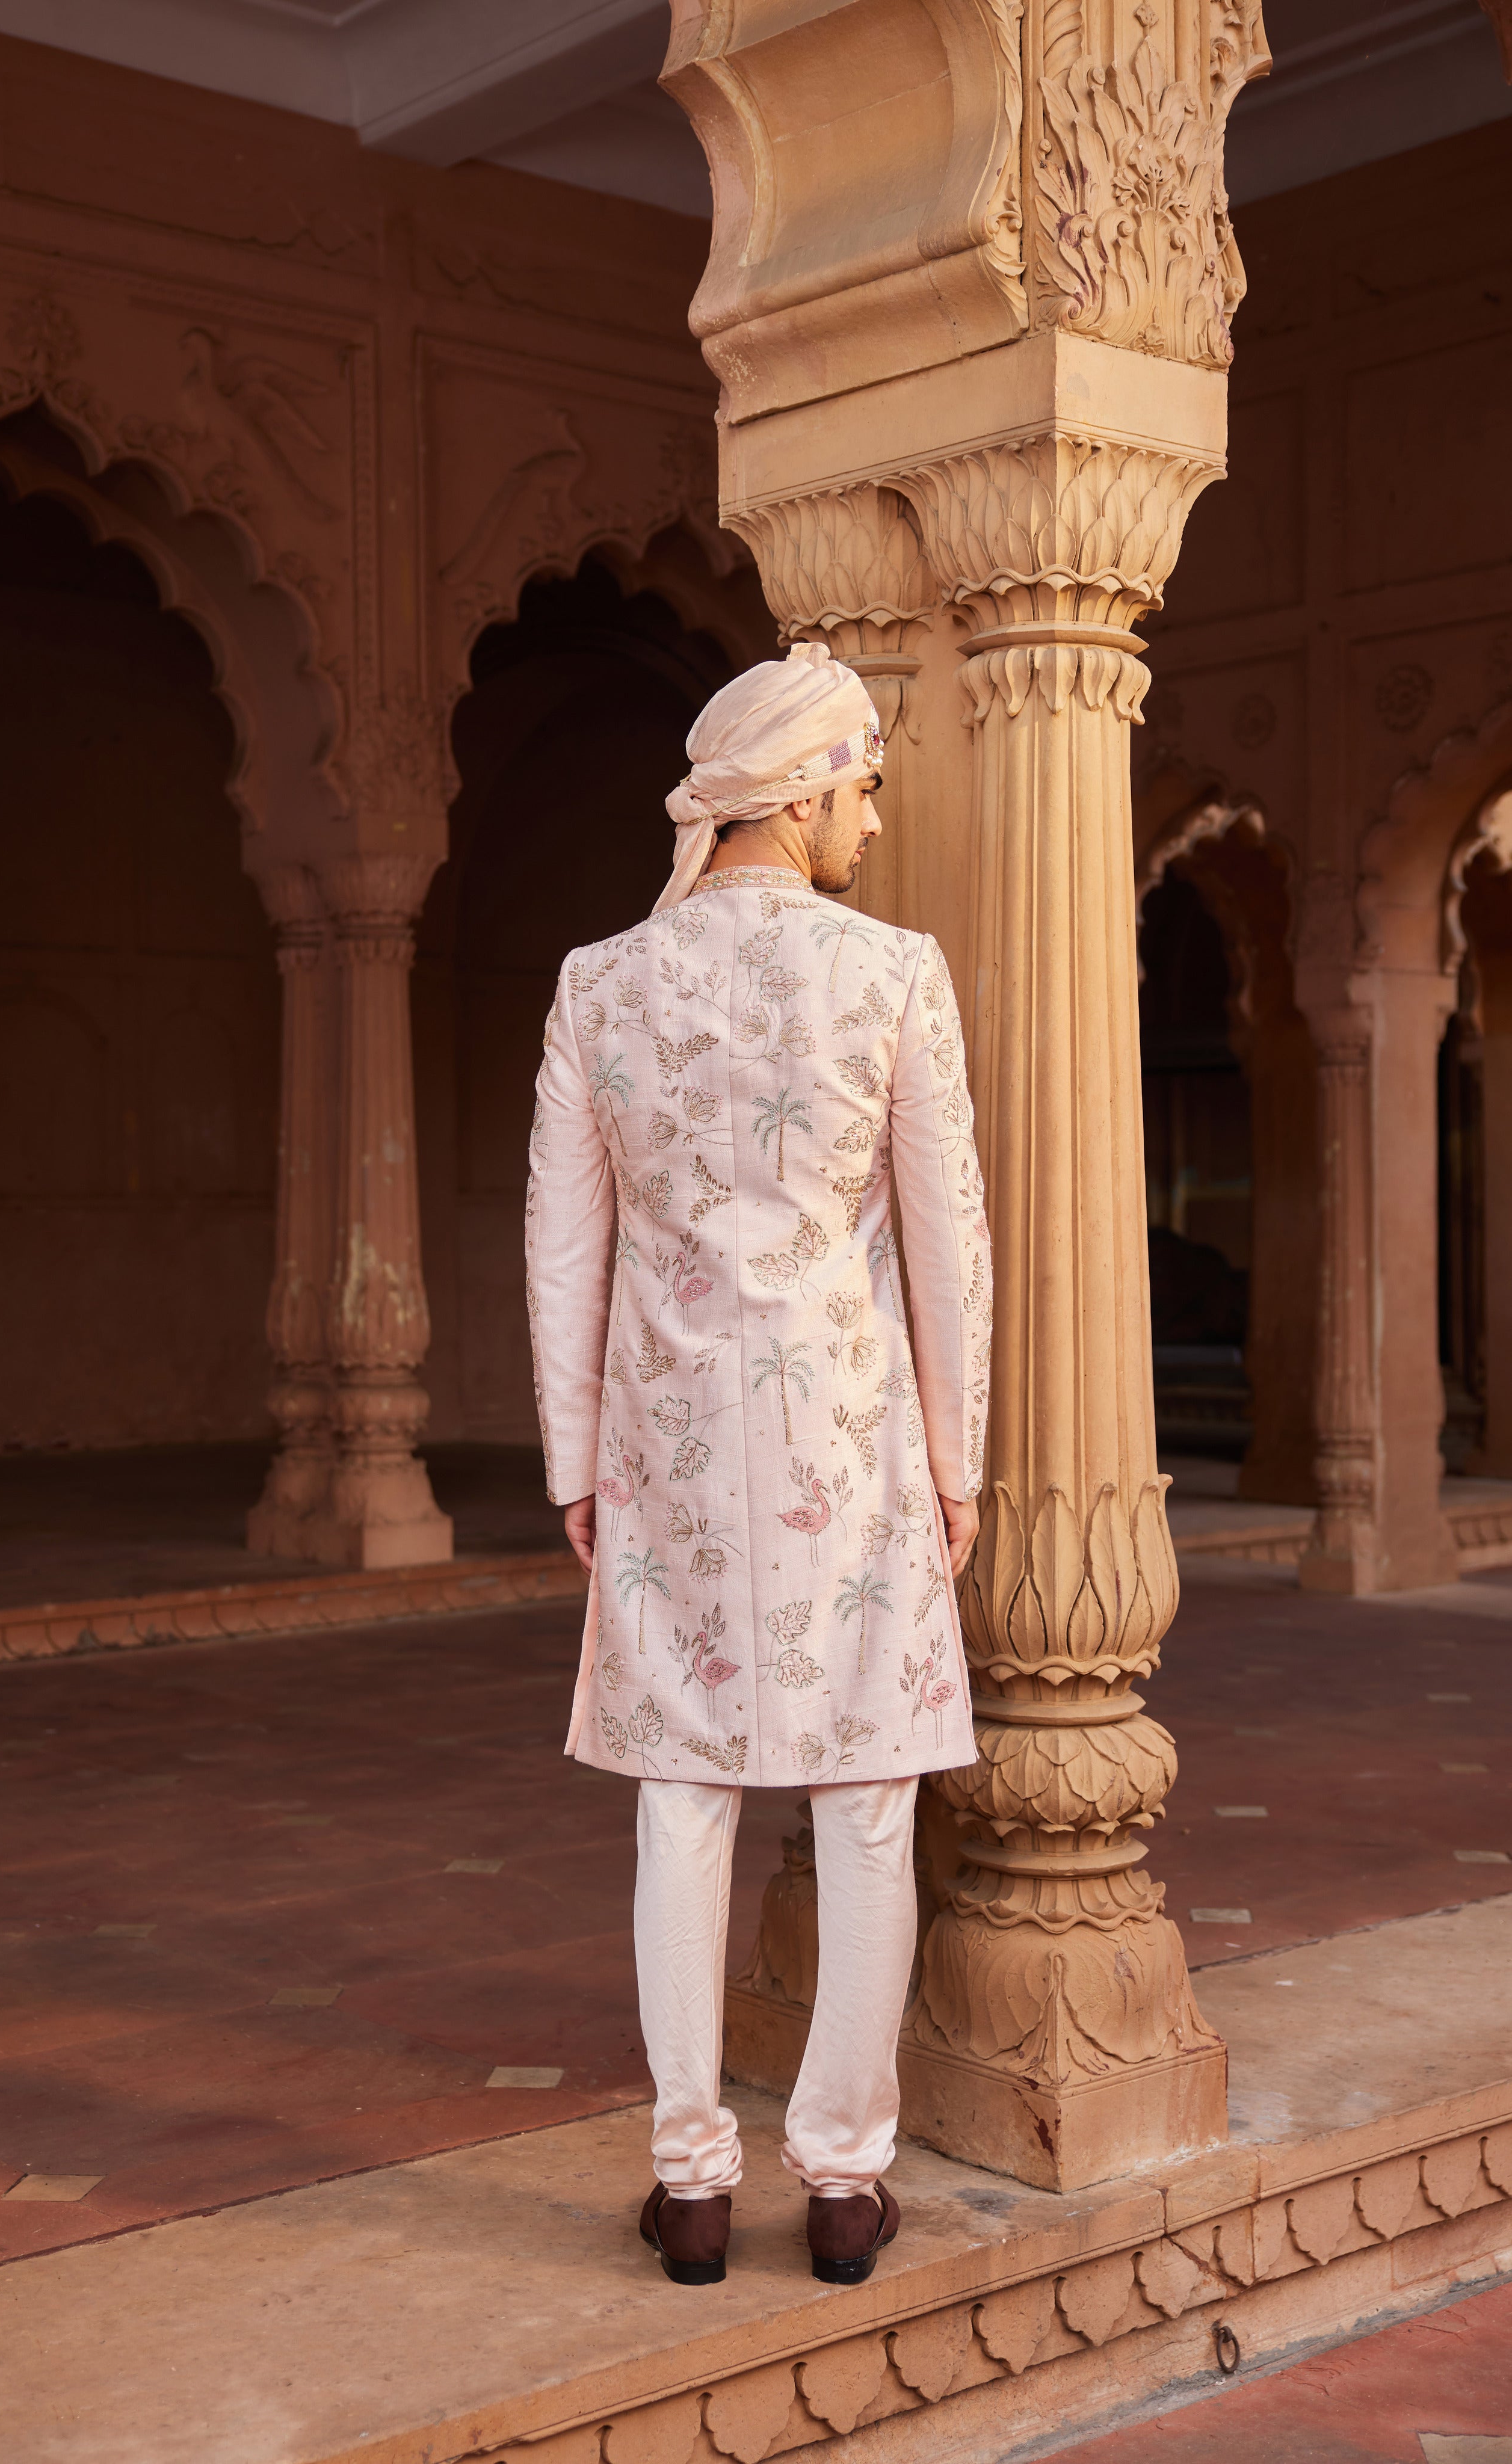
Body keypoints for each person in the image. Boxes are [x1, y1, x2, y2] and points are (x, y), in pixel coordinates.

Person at [525, 642, 992, 2289]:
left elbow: (561, 1244)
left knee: (683, 1798)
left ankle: (692, 2183)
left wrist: (575, 1464)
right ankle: (847, 2185)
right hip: (851, 1447)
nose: (867, 816)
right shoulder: (890, 974)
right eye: (861, 783)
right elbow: (947, 1244)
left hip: (663, 1441)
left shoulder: (602, 982)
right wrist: (959, 1462)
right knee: (866, 1804)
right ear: (799, 789)